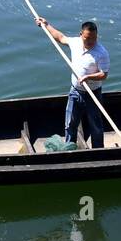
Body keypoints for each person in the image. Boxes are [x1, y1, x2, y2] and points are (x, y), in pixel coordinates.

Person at [34, 15, 109, 148]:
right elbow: (60, 37)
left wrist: (88, 77)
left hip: (93, 93)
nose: (91, 41)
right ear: (81, 35)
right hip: (75, 91)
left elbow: (103, 75)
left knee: (95, 126)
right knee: (70, 123)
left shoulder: (101, 52)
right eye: (87, 38)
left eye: (94, 38)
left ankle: (98, 150)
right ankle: (69, 148)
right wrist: (46, 25)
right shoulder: (75, 42)